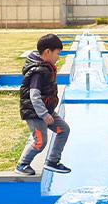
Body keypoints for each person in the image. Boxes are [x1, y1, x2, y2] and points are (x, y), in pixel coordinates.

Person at [15, 34, 71, 175]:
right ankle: (22, 164)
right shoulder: (38, 72)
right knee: (40, 141)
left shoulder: (46, 67)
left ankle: (52, 161)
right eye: (57, 53)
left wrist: (48, 112)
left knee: (63, 129)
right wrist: (44, 115)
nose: (59, 57)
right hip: (35, 113)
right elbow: (34, 96)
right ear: (47, 52)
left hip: (46, 110)